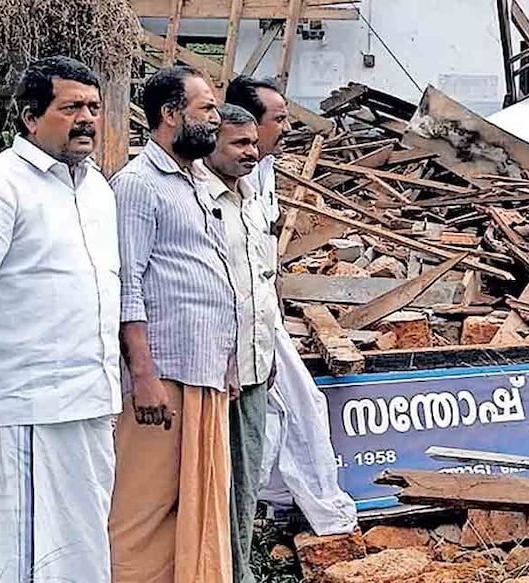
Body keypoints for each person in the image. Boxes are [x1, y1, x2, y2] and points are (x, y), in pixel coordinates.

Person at [0, 56, 120, 582]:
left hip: (87, 404)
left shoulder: (97, 190)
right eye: (70, 107)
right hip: (18, 409)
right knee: (9, 555)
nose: (86, 117)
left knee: (81, 551)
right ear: (30, 117)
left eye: (92, 105)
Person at [108, 66, 237, 583]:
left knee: (191, 513)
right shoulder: (139, 184)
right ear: (169, 114)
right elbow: (127, 285)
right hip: (163, 377)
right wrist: (143, 376)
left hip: (202, 374)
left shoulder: (195, 184)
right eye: (206, 108)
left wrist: (226, 361)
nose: (216, 118)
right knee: (140, 513)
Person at [225, 76, 359, 539]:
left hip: (264, 316)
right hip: (235, 321)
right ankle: (319, 515)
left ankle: (288, 506)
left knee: (294, 408)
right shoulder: (222, 179)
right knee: (292, 408)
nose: (286, 127)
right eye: (278, 118)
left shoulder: (265, 171)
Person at [197, 103, 279, 583]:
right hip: (210, 370)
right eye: (240, 144)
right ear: (211, 143)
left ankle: (238, 569)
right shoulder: (197, 198)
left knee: (245, 481)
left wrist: (267, 348)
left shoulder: (253, 197)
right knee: (208, 482)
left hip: (253, 365)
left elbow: (264, 280)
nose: (253, 152)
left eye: (254, 142)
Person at [226, 75, 292, 228]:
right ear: (250, 122)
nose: (288, 128)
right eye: (279, 119)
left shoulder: (266, 164)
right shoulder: (227, 171)